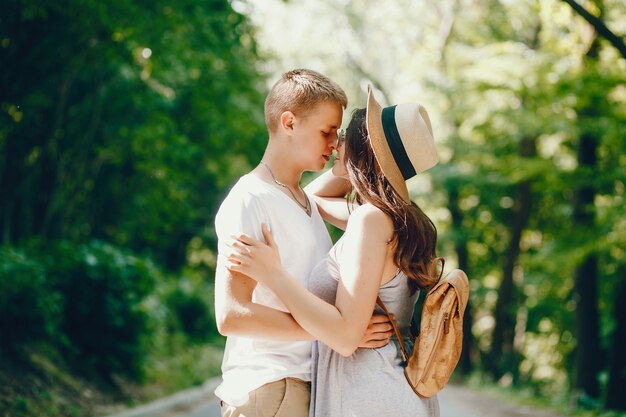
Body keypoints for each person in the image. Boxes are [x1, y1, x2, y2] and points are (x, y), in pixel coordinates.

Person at [226, 85, 442, 416]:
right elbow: (308, 201)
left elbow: (344, 336)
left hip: (371, 396)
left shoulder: (371, 222)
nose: (334, 144)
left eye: (342, 137)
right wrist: (350, 166)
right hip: (389, 390)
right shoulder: (394, 220)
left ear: (362, 150)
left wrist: (274, 275)